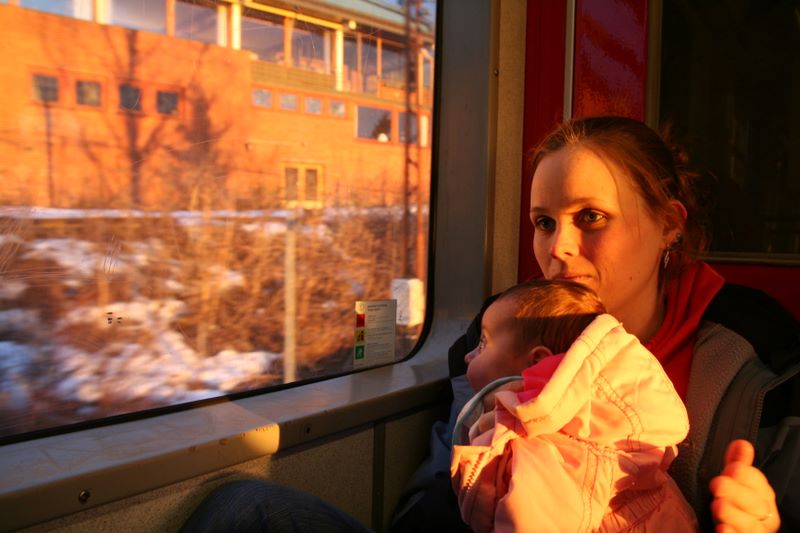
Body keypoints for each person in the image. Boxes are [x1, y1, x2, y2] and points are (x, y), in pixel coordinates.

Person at [395, 116, 798, 533]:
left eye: (591, 216)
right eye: (544, 223)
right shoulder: (504, 334)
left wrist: (766, 523)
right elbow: (430, 501)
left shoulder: (757, 347)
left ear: (668, 226)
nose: (558, 247)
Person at [449, 279, 698, 532]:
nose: (468, 356)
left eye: (483, 343)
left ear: (536, 362)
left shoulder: (546, 451)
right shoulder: (579, 427)